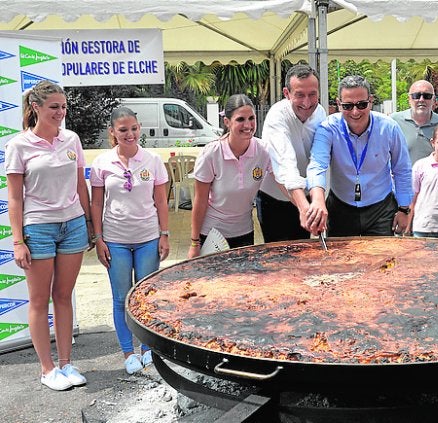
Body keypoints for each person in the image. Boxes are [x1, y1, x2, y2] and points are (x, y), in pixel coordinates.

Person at [6, 80, 91, 391]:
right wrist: (18, 241)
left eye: (64, 107)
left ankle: (66, 363)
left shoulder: (72, 139)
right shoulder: (18, 145)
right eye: (54, 107)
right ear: (36, 107)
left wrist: (91, 224)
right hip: (38, 227)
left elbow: (81, 185)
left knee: (64, 296)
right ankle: (47, 368)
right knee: (40, 300)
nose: (60, 112)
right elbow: (14, 198)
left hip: (73, 225)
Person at [90, 107, 170, 374]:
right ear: (112, 132)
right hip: (115, 240)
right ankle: (128, 352)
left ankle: (148, 349)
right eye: (123, 130)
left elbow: (161, 201)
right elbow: (96, 202)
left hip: (148, 238)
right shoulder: (102, 163)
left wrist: (164, 234)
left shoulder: (153, 160)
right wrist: (99, 239)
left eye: (134, 128)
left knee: (146, 297)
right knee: (120, 297)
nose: (130, 134)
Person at [306, 75, 413, 237]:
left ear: (370, 101)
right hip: (341, 207)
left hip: (381, 209)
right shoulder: (328, 128)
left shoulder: (389, 128)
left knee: (381, 260)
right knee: (342, 260)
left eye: (362, 105)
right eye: (348, 106)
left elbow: (402, 169)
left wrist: (404, 209)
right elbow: (317, 165)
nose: (355, 112)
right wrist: (318, 200)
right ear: (339, 104)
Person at [189, 94, 273, 257]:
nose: (248, 125)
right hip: (212, 234)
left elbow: (283, 181)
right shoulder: (212, 153)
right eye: (240, 119)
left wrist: (305, 207)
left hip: (244, 233)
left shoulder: (263, 151)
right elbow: (200, 201)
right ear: (227, 122)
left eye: (251, 118)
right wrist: (194, 242)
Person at [256, 64, 326, 242]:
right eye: (300, 95)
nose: (307, 102)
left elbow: (320, 158)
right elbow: (286, 164)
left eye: (312, 94)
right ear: (287, 93)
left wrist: (314, 203)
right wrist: (304, 209)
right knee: (278, 258)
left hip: (306, 197)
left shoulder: (320, 113)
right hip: (274, 199)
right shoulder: (277, 116)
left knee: (302, 253)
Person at [391, 80, 438, 164]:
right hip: (404, 176)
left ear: (433, 100)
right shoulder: (394, 121)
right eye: (416, 96)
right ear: (409, 99)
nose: (421, 99)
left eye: (427, 96)